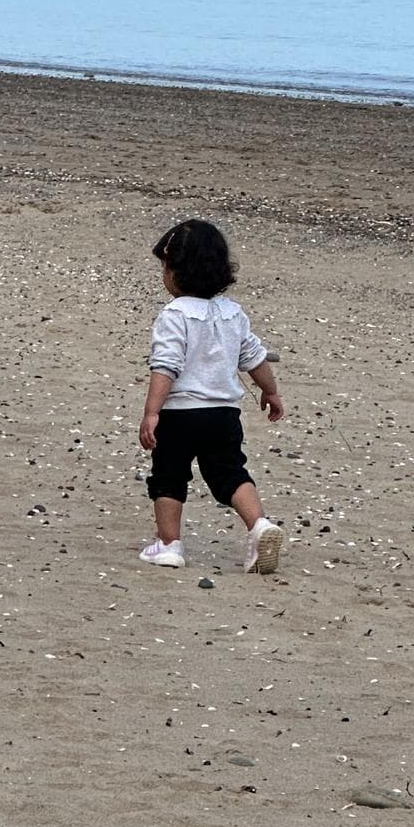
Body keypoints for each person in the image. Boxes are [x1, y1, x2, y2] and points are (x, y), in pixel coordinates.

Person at [138, 219, 284, 572]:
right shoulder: (233, 314)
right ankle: (259, 525)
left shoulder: (174, 315)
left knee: (169, 476)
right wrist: (271, 390)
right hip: (223, 415)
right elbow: (254, 358)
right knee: (230, 472)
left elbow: (166, 367)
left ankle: (170, 544)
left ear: (175, 270)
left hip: (180, 414)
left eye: (164, 266)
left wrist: (152, 412)